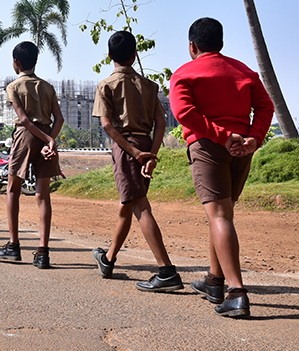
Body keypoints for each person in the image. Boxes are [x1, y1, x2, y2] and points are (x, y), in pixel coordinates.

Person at [170, 18, 273, 318]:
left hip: (210, 147)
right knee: (223, 214)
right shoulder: (244, 71)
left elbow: (183, 112)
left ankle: (237, 292)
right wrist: (254, 138)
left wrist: (222, 136)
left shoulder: (184, 74)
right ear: (221, 43)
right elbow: (265, 107)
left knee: (218, 216)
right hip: (242, 150)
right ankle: (214, 281)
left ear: (192, 46)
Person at [90, 31, 182, 292]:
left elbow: (107, 125)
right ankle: (108, 259)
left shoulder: (106, 85)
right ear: (135, 55)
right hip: (145, 144)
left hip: (126, 146)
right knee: (127, 203)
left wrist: (133, 152)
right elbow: (162, 122)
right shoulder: (150, 86)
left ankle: (166, 270)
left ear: (109, 56)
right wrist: (150, 153)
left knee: (139, 205)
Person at [0, 41, 63, 268]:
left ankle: (14, 245)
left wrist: (45, 140)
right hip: (46, 134)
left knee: (13, 189)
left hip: (25, 136)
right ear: (35, 61)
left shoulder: (14, 86)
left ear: (16, 63)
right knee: (43, 195)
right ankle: (43, 252)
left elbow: (23, 119)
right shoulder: (47, 87)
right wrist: (49, 140)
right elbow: (59, 118)